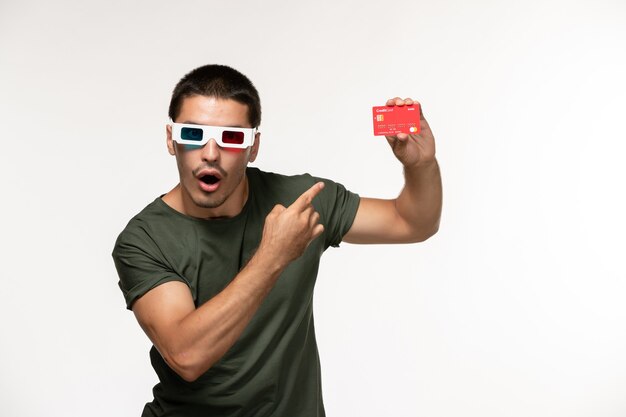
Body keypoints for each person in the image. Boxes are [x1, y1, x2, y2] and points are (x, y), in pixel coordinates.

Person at [112, 64, 442, 417]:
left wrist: (421, 165)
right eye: (193, 134)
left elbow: (412, 222)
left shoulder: (300, 201)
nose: (210, 153)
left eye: (232, 137)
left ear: (253, 146)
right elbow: (186, 355)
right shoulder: (144, 239)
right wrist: (273, 257)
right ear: (170, 139)